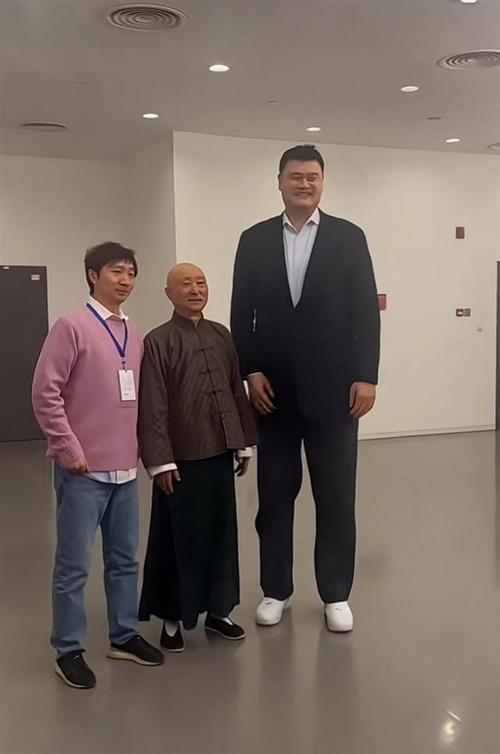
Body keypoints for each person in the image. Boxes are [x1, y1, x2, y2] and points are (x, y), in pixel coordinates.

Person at [230, 145, 381, 632]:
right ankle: (275, 589)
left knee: (335, 496)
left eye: (312, 176)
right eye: (295, 176)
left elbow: (365, 311)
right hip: (272, 394)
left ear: (322, 182)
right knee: (274, 497)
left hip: (336, 393)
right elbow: (241, 312)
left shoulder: (348, 238)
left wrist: (367, 375)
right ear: (279, 181)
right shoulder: (253, 240)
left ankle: (336, 593)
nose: (304, 184)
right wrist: (250, 370)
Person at [32, 241, 163, 690]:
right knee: (74, 566)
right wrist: (67, 447)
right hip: (82, 471)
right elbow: (45, 393)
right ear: (93, 275)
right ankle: (67, 649)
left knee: (125, 560)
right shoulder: (71, 327)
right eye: (116, 271)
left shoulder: (134, 333)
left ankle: (123, 635)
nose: (125, 280)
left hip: (125, 470)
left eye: (131, 273)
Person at [138, 263, 257, 652]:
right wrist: (160, 461)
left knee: (221, 537)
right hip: (180, 462)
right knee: (177, 541)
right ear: (169, 293)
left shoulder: (221, 335)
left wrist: (243, 442)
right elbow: (153, 405)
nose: (195, 289)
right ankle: (172, 619)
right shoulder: (158, 341)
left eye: (200, 282)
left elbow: (236, 391)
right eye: (185, 284)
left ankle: (219, 611)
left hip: (220, 453)